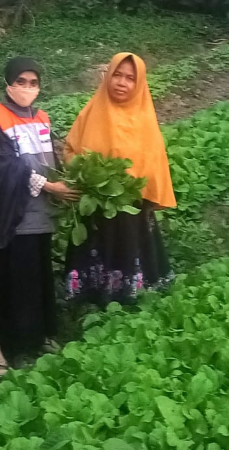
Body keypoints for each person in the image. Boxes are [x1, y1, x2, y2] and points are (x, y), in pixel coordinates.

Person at [0, 57, 79, 377]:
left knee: (37, 274)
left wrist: (67, 175)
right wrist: (49, 185)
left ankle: (37, 335)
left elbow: (48, 157)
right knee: (7, 275)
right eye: (21, 81)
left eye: (33, 83)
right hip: (12, 212)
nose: (27, 88)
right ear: (8, 84)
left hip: (41, 211)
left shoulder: (42, 117)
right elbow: (6, 167)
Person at [63, 52, 176, 305]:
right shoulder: (92, 111)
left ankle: (129, 293)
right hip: (94, 204)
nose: (122, 82)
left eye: (130, 78)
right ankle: (91, 296)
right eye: (117, 75)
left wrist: (130, 186)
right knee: (95, 243)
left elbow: (153, 160)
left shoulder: (144, 118)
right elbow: (70, 149)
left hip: (130, 206)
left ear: (139, 84)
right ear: (108, 77)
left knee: (127, 244)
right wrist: (86, 174)